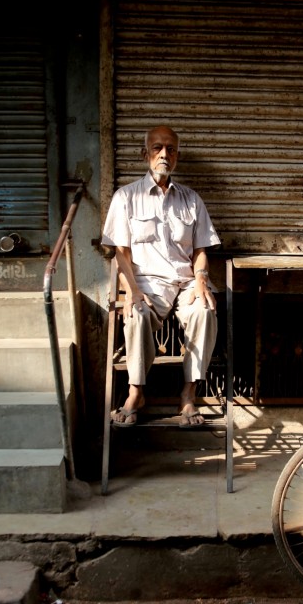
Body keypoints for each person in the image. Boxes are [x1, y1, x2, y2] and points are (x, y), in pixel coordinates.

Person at [101, 125, 220, 427]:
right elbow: (120, 252)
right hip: (146, 284)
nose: (164, 154)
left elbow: (202, 249)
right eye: (157, 148)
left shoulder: (191, 199)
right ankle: (136, 391)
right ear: (145, 154)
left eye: (170, 149)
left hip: (184, 283)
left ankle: (189, 394)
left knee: (205, 310)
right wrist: (131, 291)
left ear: (177, 156)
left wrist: (202, 278)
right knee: (136, 314)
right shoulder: (125, 197)